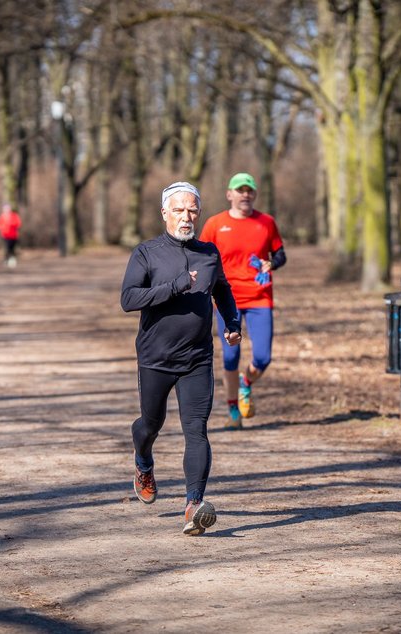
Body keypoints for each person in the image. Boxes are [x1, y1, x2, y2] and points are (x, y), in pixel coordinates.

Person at [120, 181, 242, 536]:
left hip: (197, 358)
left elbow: (223, 292)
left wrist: (231, 323)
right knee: (150, 425)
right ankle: (143, 461)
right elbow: (128, 299)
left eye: (191, 210)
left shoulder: (208, 253)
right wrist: (173, 287)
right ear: (164, 213)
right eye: (178, 210)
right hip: (155, 357)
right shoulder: (146, 253)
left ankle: (193, 505)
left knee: (196, 430)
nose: (185, 217)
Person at [199, 173, 287, 429]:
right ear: (230, 194)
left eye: (249, 190)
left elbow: (280, 254)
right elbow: (202, 256)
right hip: (227, 300)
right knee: (230, 357)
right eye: (240, 190)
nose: (245, 194)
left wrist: (272, 263)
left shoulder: (266, 222)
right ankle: (233, 412)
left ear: (254, 194)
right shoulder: (215, 224)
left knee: (262, 357)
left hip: (260, 298)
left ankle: (246, 383)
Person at [0, 203, 21, 267]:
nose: (7, 210)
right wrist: (3, 228)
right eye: (5, 209)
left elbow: (18, 224)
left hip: (14, 236)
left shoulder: (14, 215)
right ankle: (6, 260)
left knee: (12, 249)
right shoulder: (2, 216)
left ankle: (12, 260)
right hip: (5, 235)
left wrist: (12, 224)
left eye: (8, 208)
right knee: (7, 248)